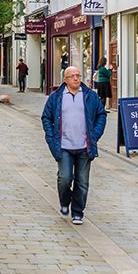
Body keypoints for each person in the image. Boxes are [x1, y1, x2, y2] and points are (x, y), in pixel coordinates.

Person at [41, 66, 107, 225]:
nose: (76, 78)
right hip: (63, 146)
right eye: (72, 76)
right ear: (65, 80)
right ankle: (65, 202)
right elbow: (46, 118)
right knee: (64, 178)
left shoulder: (90, 96)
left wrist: (94, 135)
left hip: (85, 147)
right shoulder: (56, 97)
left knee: (82, 181)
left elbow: (101, 115)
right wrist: (51, 138)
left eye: (78, 75)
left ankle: (77, 212)